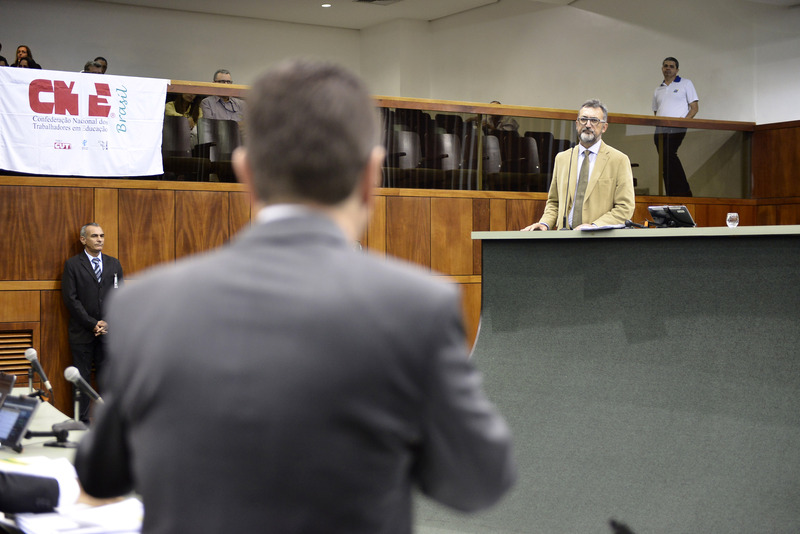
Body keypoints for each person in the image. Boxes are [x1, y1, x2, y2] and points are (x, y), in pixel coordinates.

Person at [75, 59, 516, 533]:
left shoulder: (145, 306)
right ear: (372, 174)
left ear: (244, 171)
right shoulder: (417, 307)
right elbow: (478, 481)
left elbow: (101, 474)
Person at [522, 99, 635, 230]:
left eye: (594, 120)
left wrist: (594, 226)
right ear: (577, 124)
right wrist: (545, 223)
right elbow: (554, 202)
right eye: (583, 119)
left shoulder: (619, 160)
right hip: (565, 236)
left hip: (597, 237)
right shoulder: (562, 159)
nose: (588, 125)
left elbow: (625, 208)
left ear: (604, 127)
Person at [61, 223, 123, 423]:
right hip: (82, 332)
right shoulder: (72, 265)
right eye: (94, 236)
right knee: (81, 380)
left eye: (102, 235)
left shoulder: (114, 264)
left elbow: (119, 296)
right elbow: (71, 299)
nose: (100, 239)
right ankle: (82, 421)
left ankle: (108, 424)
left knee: (107, 380)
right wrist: (92, 323)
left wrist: (107, 322)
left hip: (107, 333)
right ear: (83, 239)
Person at [652, 56, 698, 197]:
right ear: (662, 69)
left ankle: (684, 191)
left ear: (677, 70)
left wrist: (684, 122)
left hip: (677, 127)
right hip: (660, 129)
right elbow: (656, 111)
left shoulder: (686, 83)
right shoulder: (658, 89)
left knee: (669, 155)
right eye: (665, 66)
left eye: (671, 66)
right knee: (664, 161)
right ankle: (670, 193)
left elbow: (694, 108)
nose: (668, 68)